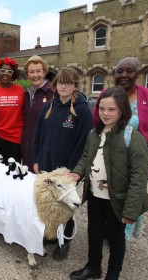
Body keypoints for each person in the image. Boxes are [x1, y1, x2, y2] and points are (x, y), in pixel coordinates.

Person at [69, 87, 148, 280]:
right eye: (102, 109)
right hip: (96, 197)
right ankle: (93, 267)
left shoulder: (133, 137)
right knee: (94, 234)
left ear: (122, 110)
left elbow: (139, 178)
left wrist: (130, 210)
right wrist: (76, 173)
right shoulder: (94, 133)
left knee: (116, 240)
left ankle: (112, 275)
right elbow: (85, 158)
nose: (105, 113)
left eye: (111, 109)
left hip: (118, 200)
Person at [32, 67, 93, 261]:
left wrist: (74, 171)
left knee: (67, 208)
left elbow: (84, 144)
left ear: (75, 85)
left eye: (68, 82)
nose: (63, 86)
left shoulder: (82, 109)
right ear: (55, 85)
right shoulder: (48, 107)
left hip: (68, 170)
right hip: (45, 165)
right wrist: (35, 159)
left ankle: (64, 242)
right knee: (49, 204)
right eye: (60, 82)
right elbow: (38, 136)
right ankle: (50, 236)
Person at [93, 56, 148, 182]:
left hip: (138, 158)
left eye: (130, 71)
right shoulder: (105, 94)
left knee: (135, 194)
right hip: (108, 155)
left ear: (137, 74)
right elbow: (96, 124)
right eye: (120, 71)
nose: (124, 75)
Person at [0, 57, 25, 164]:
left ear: (13, 74)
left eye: (9, 71)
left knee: (14, 169)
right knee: (0, 169)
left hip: (17, 137)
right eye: (3, 70)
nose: (5, 73)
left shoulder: (20, 90)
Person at [21, 55, 54, 172]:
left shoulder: (53, 93)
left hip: (44, 149)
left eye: (38, 71)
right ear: (27, 74)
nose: (35, 75)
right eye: (31, 72)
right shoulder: (25, 94)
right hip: (26, 148)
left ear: (44, 72)